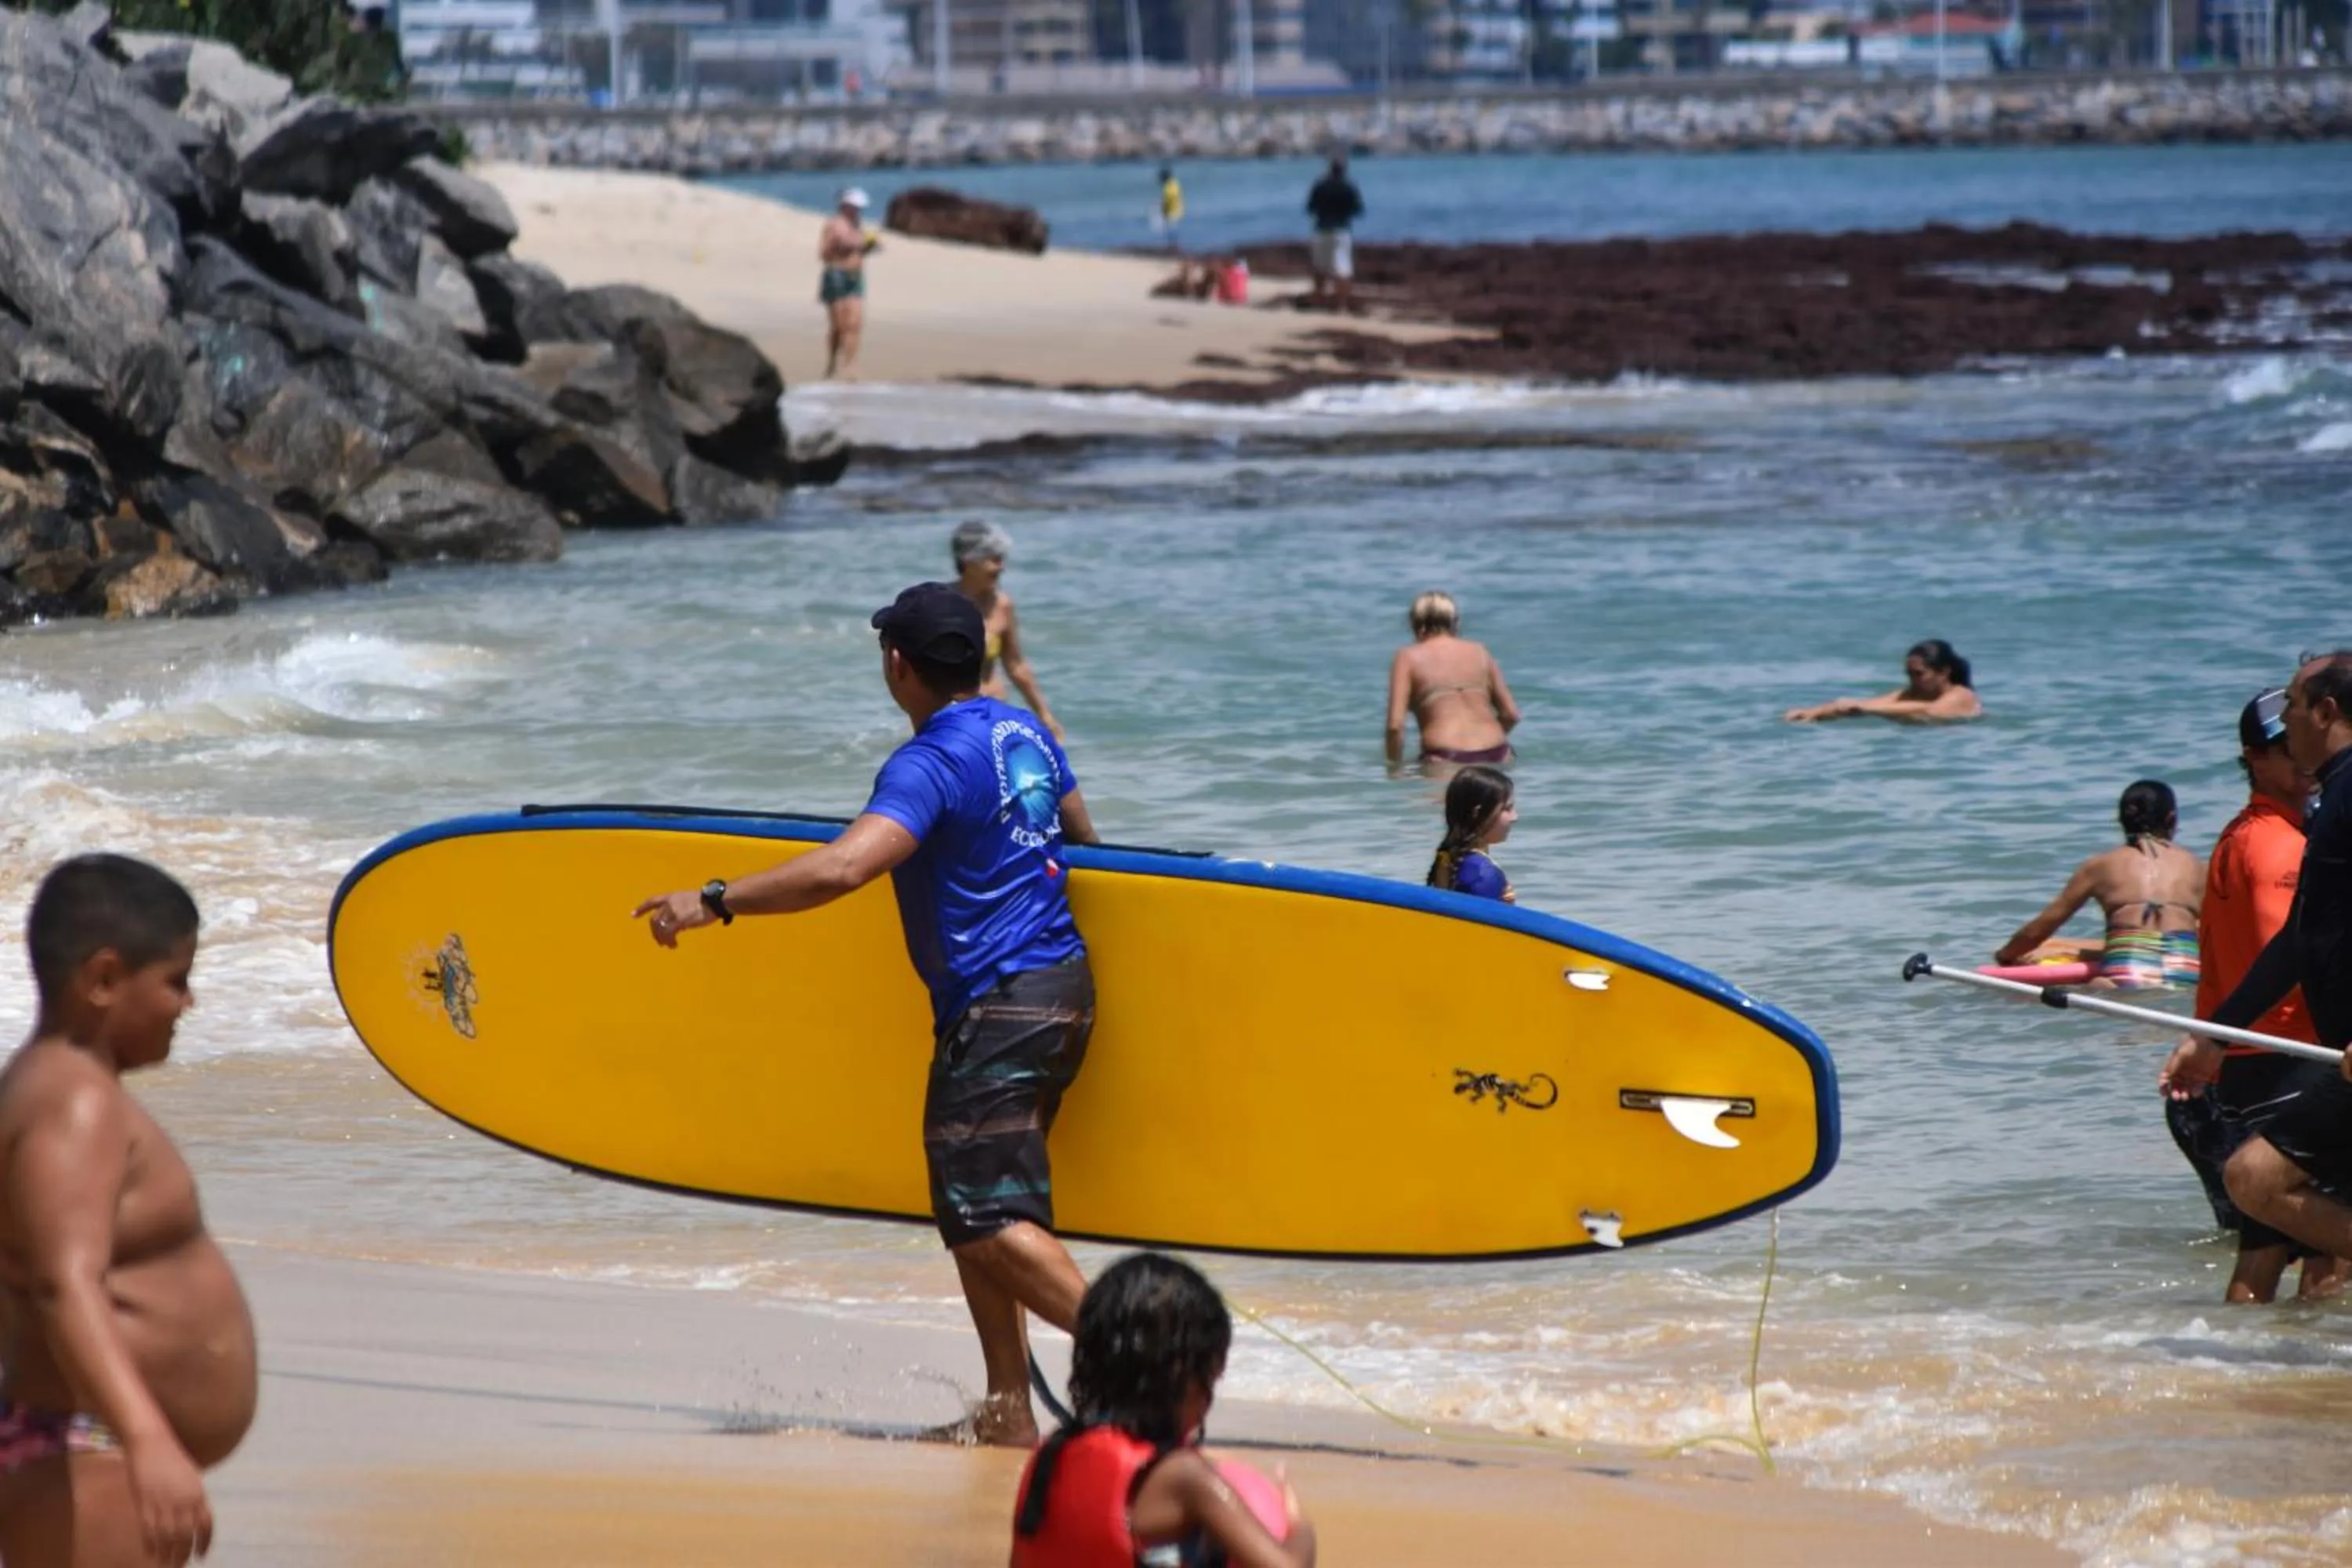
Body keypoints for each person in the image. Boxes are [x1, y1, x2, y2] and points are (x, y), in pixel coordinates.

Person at [635, 583, 1100, 1447]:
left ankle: (1138, 1349)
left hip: (998, 1004)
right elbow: (1086, 838)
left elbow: (846, 867)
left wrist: (716, 899)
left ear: (899, 664)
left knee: (983, 1217)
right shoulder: (1023, 731)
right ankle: (1007, 1408)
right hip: (1063, 991)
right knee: (986, 1206)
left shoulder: (929, 761)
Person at [0, 855, 259, 1568]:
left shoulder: (48, 1090)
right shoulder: (74, 1103)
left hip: (87, 1437)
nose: (188, 1004)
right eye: (175, 981)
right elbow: (62, 1282)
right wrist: (145, 1438)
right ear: (105, 979)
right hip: (89, 1444)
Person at [2158, 689, 2347, 1303]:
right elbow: (2297, 945)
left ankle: (2252, 1368)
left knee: (2264, 1248)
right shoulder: (2278, 845)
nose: (2295, 758)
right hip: (2288, 1052)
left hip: (2249, 1055)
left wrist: (2213, 1034)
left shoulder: (2253, 833)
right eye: (2277, 747)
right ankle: (2303, 1369)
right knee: (2325, 1253)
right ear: (2254, 760)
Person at [1009, 1252, 1317, 1568]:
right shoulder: (1184, 1477)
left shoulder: (1049, 1456)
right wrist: (1300, 1524)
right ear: (1186, 1381)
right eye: (1210, 1380)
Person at [1991, 781, 2204, 990]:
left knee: (2096, 987)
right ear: (2171, 819)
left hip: (2127, 974)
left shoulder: (2099, 866)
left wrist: (2006, 956)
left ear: (2121, 820)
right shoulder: (2198, 868)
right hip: (2187, 973)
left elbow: (2043, 927)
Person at [953, 521, 1065, 741]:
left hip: (994, 717)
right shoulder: (941, 603)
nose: (1001, 567)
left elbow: (1016, 665)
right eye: (994, 560)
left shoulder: (1002, 606)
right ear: (968, 561)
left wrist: (1045, 715)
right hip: (954, 720)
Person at [1384, 590, 1519, 769]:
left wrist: (1395, 769)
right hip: (1498, 752)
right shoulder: (1479, 651)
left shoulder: (1407, 657)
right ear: (1455, 622)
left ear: (1413, 623)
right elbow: (1511, 715)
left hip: (1445, 758)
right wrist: (1482, 744)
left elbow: (1395, 726)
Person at [1783, 638, 1984, 724]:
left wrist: (1867, 710)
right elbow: (1862, 705)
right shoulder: (1909, 695)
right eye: (1908, 674)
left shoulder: (1961, 695)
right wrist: (1812, 712)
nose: (1912, 680)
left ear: (1943, 672)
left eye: (1919, 674)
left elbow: (1930, 711)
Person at [1426, 764, 1517, 904]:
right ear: (1478, 813)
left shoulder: (1447, 857)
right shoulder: (1482, 873)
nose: (1514, 817)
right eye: (1507, 809)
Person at [819, 187, 876, 380]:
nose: (858, 211)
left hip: (856, 277)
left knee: (855, 324)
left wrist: (868, 248)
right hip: (837, 275)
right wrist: (843, 247)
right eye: (855, 207)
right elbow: (824, 254)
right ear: (845, 206)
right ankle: (832, 362)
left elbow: (859, 250)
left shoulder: (858, 225)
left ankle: (850, 365)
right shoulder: (834, 225)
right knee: (839, 326)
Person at [1304, 156, 1363, 314]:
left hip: (1322, 228)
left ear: (1330, 169)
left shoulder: (1320, 186)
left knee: (1320, 267)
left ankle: (1319, 300)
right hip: (1342, 229)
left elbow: (1310, 208)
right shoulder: (1349, 187)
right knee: (1342, 268)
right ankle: (1341, 306)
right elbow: (1358, 210)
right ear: (1344, 170)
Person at [1156, 165, 1184, 253]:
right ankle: (1174, 247)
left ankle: (1172, 248)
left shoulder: (1168, 187)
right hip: (1177, 211)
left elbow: (1167, 200)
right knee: (1173, 232)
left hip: (1172, 212)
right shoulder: (1175, 183)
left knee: (1171, 232)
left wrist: (1163, 210)